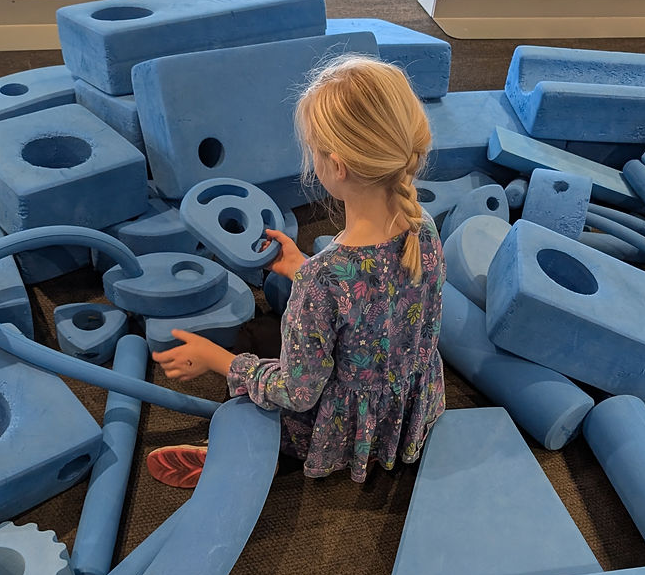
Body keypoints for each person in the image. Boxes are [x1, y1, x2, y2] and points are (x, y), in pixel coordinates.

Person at [147, 54, 446, 487]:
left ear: (337, 166)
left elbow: (298, 393)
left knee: (254, 340)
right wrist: (299, 266)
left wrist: (217, 360)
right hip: (404, 409)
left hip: (340, 430)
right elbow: (378, 303)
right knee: (280, 332)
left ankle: (253, 452)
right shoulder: (425, 228)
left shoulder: (324, 279)